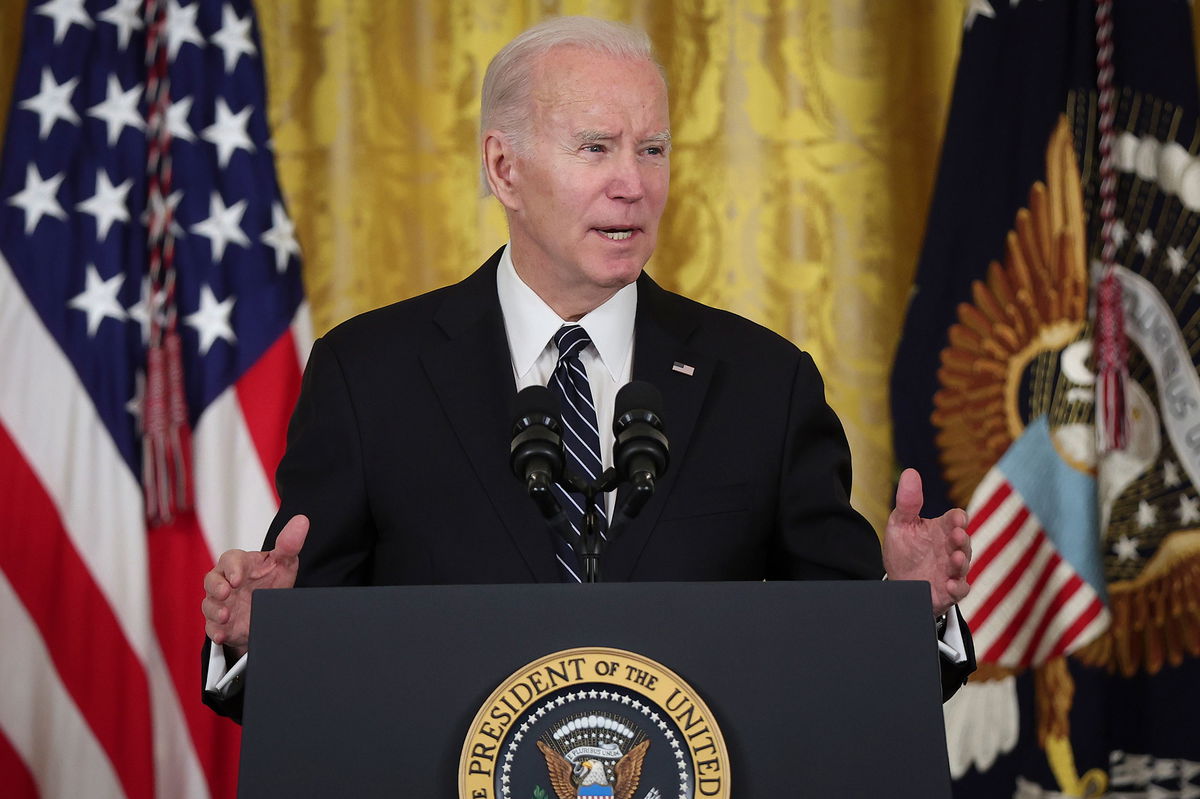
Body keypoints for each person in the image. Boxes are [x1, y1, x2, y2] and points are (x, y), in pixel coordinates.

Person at [201, 16, 975, 723]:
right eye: (596, 147)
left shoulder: (763, 384)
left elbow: (844, 658)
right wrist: (258, 642)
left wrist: (907, 609)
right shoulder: (368, 375)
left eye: (653, 149)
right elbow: (311, 681)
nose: (633, 184)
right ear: (504, 168)